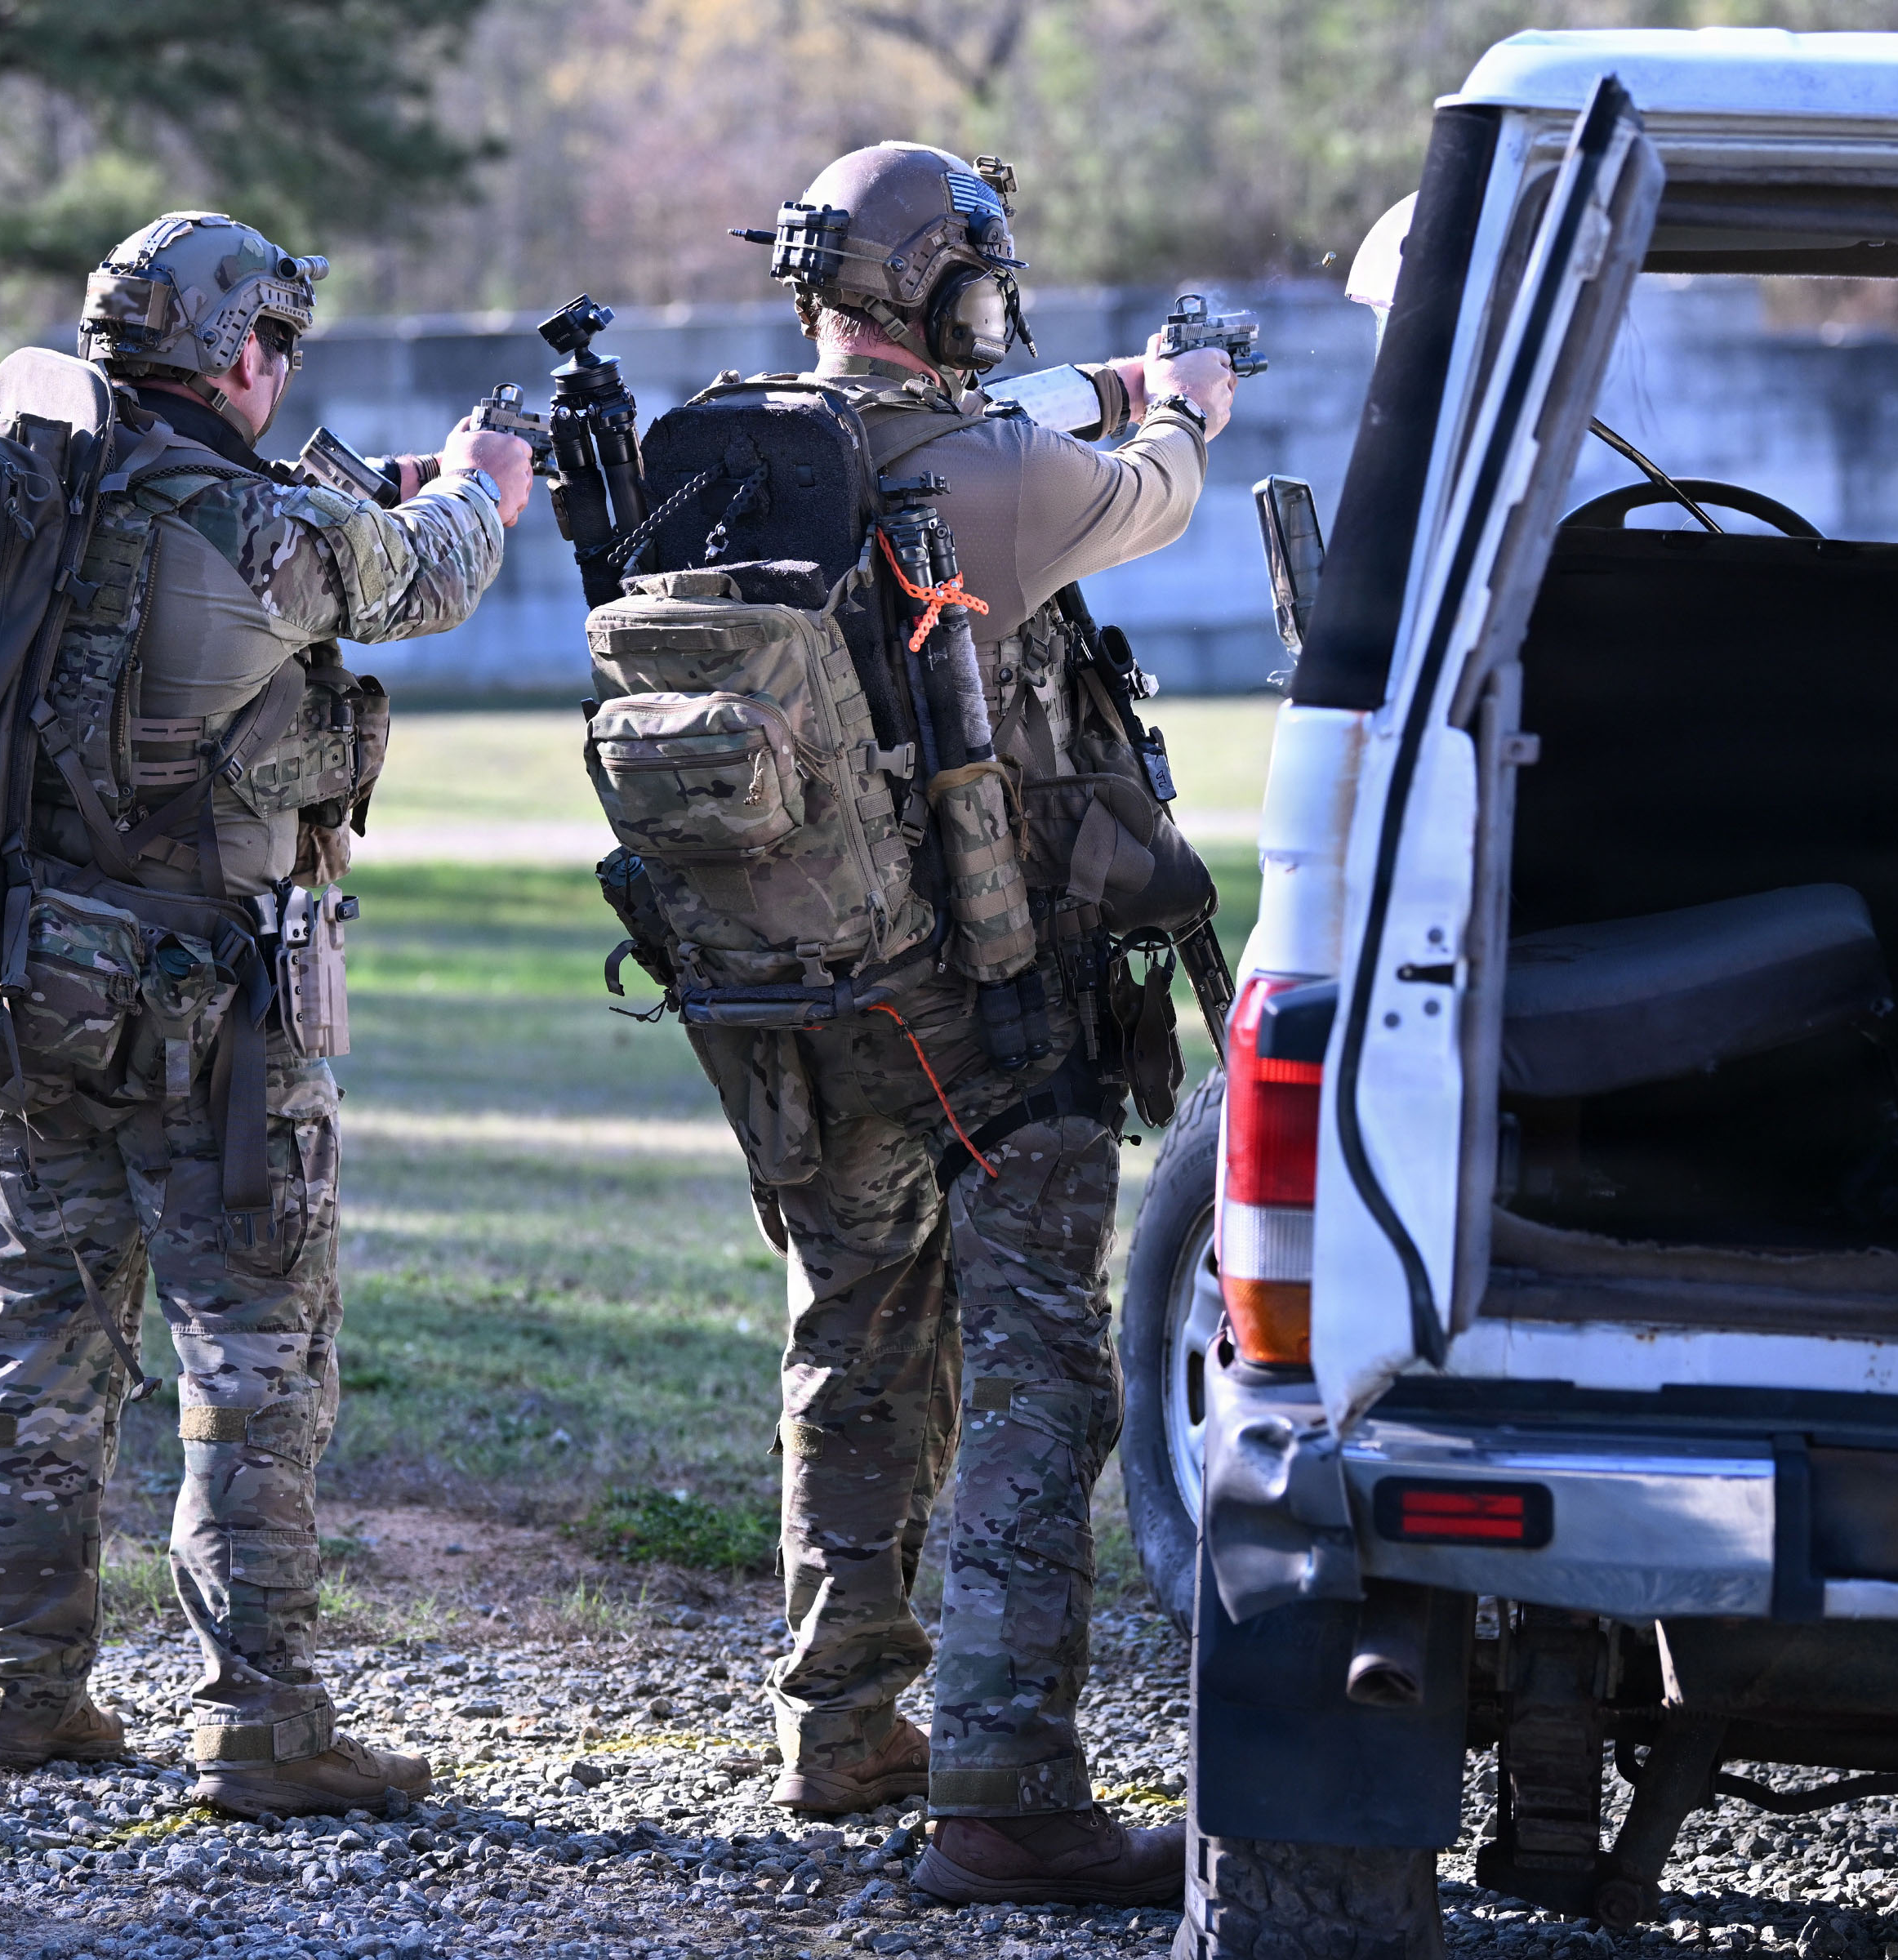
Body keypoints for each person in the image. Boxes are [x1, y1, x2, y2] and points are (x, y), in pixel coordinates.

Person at [0, 211, 534, 1821]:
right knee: (257, 1359)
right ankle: (263, 1721)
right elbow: (426, 576)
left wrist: (375, 492)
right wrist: (482, 482)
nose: (285, 365)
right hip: (212, 1021)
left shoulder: (36, 487)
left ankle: (20, 1688)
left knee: (42, 1344)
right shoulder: (249, 521)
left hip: (30, 990)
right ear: (234, 349)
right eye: (276, 338)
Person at [722, 144, 1238, 1906]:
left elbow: (999, 425)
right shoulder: (994, 473)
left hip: (795, 999)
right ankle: (1005, 1789)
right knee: (1040, 1373)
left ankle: (842, 1723)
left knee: (852, 1341)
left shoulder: (739, 457)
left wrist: (1103, 383)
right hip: (983, 1007)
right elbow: (1151, 493)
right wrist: (1185, 403)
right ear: (936, 288)